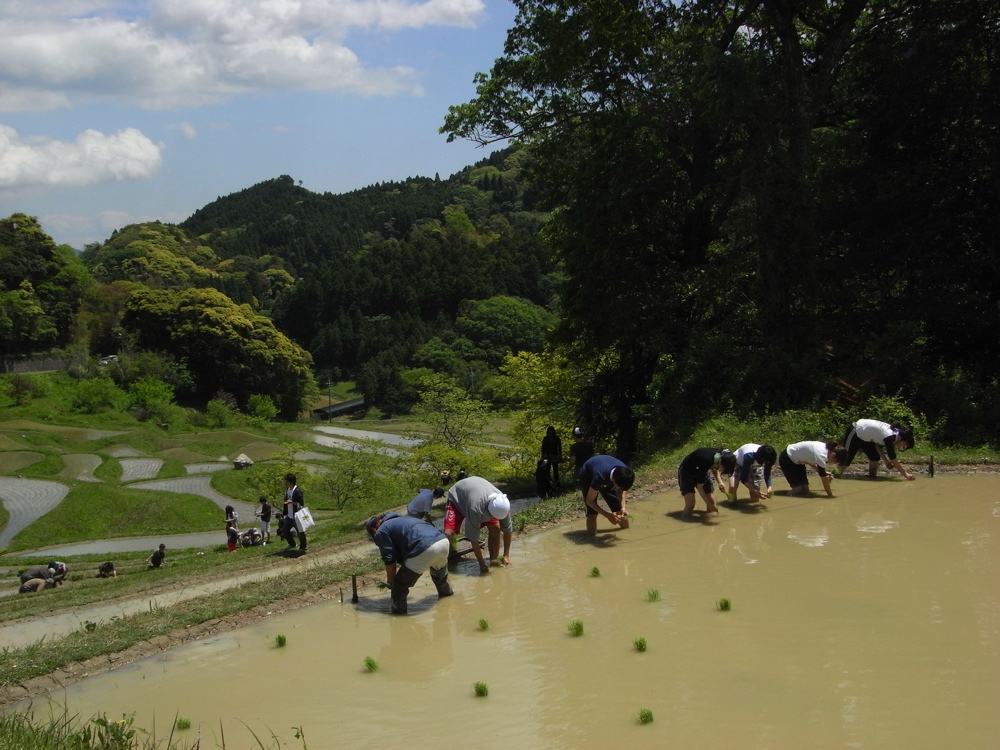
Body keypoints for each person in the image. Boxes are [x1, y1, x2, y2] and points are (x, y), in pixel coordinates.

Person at [364, 512, 453, 614]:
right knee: (440, 578)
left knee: (399, 586)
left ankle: (398, 618)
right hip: (442, 542)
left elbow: (389, 559)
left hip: (424, 548)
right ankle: (448, 601)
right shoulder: (404, 519)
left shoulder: (381, 531)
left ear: (373, 530)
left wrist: (391, 581)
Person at [444, 476, 513, 575]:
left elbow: (507, 530)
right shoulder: (475, 508)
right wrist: (481, 564)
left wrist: (506, 555)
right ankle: (445, 561)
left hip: (477, 495)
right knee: (448, 533)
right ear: (488, 511)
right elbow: (473, 538)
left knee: (495, 528)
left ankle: (494, 559)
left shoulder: (503, 503)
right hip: (458, 498)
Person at [579, 454, 635, 536]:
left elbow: (622, 490)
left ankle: (627, 533)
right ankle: (592, 538)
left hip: (607, 474)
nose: (619, 489)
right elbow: (589, 501)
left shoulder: (625, 473)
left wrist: (623, 507)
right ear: (614, 481)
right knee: (592, 514)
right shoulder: (599, 477)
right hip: (588, 476)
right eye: (618, 487)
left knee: (619, 510)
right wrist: (608, 515)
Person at [841, 419, 915, 480]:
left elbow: (877, 446)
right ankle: (835, 476)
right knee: (846, 459)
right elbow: (893, 459)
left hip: (867, 437)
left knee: (875, 458)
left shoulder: (895, 436)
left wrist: (886, 461)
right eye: (904, 446)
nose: (901, 447)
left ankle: (872, 478)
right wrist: (906, 475)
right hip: (856, 430)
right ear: (903, 440)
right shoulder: (890, 437)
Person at [778, 441, 848, 497]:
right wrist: (830, 495)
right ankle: (784, 499)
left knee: (805, 489)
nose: (833, 464)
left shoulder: (826, 449)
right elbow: (824, 480)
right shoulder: (821, 455)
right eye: (835, 462)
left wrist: (824, 472)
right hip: (787, 459)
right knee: (798, 489)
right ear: (833, 455)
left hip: (798, 461)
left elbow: (809, 459)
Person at [677, 448, 728, 518]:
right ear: (720, 461)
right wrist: (709, 504)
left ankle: (710, 521)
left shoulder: (720, 457)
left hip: (701, 470)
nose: (721, 470)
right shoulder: (706, 460)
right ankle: (684, 522)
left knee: (711, 500)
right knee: (690, 504)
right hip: (687, 473)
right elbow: (699, 487)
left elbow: (714, 467)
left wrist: (720, 482)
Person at [281, 473, 307, 551]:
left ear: (291, 482)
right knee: (285, 530)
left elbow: (301, 503)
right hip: (289, 515)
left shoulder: (297, 491)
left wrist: (292, 502)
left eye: (286, 481)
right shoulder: (287, 490)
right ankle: (292, 544)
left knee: (300, 532)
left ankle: (303, 546)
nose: (285, 483)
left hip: (296, 515)